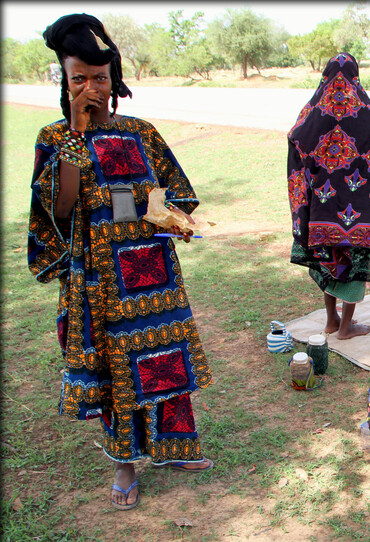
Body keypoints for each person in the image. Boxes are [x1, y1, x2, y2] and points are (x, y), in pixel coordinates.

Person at [29, 14, 213, 511]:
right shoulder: (55, 138)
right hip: (97, 280)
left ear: (115, 78)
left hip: (151, 273)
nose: (91, 86)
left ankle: (178, 447)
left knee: (164, 362)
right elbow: (61, 209)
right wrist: (75, 132)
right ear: (65, 83)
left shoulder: (141, 132)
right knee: (115, 373)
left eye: (100, 77)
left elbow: (176, 193)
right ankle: (124, 464)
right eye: (79, 78)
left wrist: (172, 218)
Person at [288, 53, 370, 339]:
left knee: (329, 261)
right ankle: (346, 327)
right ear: (356, 77)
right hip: (362, 212)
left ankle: (332, 320)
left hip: (323, 209)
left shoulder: (311, 113)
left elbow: (296, 141)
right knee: (355, 266)